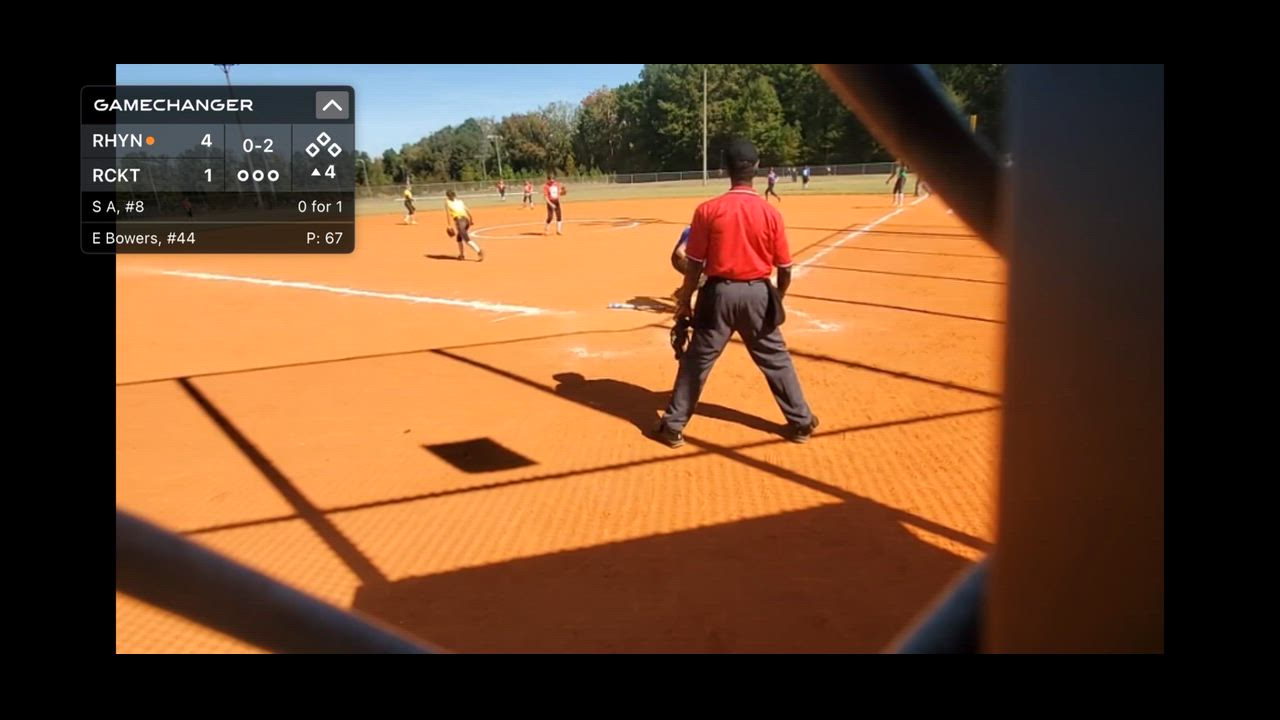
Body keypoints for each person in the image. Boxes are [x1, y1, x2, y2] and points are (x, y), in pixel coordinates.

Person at [652, 138, 818, 449]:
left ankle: (673, 427)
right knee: (776, 360)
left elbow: (694, 265)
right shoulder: (770, 213)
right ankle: (801, 422)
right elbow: (785, 268)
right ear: (757, 168)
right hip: (757, 294)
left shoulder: (708, 210)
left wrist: (685, 302)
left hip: (717, 295)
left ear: (725, 169)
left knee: (697, 361)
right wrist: (776, 299)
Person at [444, 190, 484, 261]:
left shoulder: (447, 202)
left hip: (460, 221)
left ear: (447, 196)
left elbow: (448, 214)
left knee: (466, 239)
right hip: (466, 220)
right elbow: (467, 210)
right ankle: (461, 255)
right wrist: (471, 220)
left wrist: (449, 225)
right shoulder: (460, 202)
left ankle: (479, 251)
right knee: (459, 237)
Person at [669, 225, 707, 299]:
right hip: (680, 259)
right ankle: (679, 295)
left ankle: (682, 292)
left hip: (692, 258)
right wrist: (693, 263)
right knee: (700, 277)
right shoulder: (696, 232)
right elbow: (679, 251)